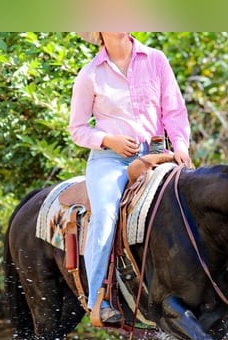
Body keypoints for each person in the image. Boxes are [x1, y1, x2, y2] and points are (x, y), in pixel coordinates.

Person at [69, 32, 192, 325]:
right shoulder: (90, 75)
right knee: (107, 214)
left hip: (158, 153)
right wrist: (109, 140)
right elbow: (78, 129)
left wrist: (182, 147)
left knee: (195, 200)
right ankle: (99, 297)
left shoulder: (156, 60)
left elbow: (174, 111)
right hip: (111, 161)